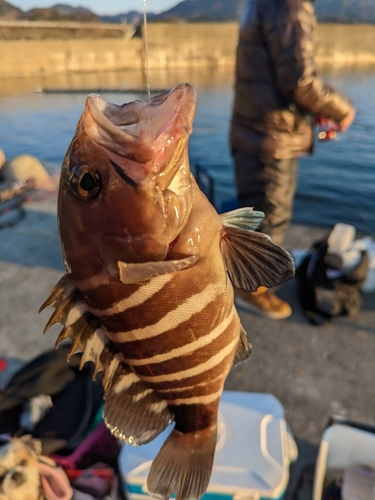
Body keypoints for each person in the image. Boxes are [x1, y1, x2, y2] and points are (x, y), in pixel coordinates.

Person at [229, 0, 356, 319]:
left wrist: (314, 111)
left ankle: (250, 278)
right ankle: (253, 290)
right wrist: (341, 109)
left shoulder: (260, 4)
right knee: (271, 219)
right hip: (271, 139)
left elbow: (278, 79)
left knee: (258, 213)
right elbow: (300, 82)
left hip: (255, 132)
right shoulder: (289, 7)